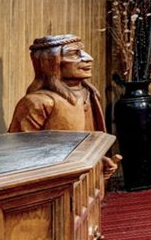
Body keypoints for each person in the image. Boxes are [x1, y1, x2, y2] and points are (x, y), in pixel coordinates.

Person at [8, 36, 120, 173]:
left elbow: (86, 146)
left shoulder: (90, 95)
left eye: (83, 52)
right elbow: (20, 156)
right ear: (50, 62)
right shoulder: (38, 102)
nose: (88, 58)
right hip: (54, 185)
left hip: (87, 185)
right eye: (74, 54)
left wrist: (100, 161)